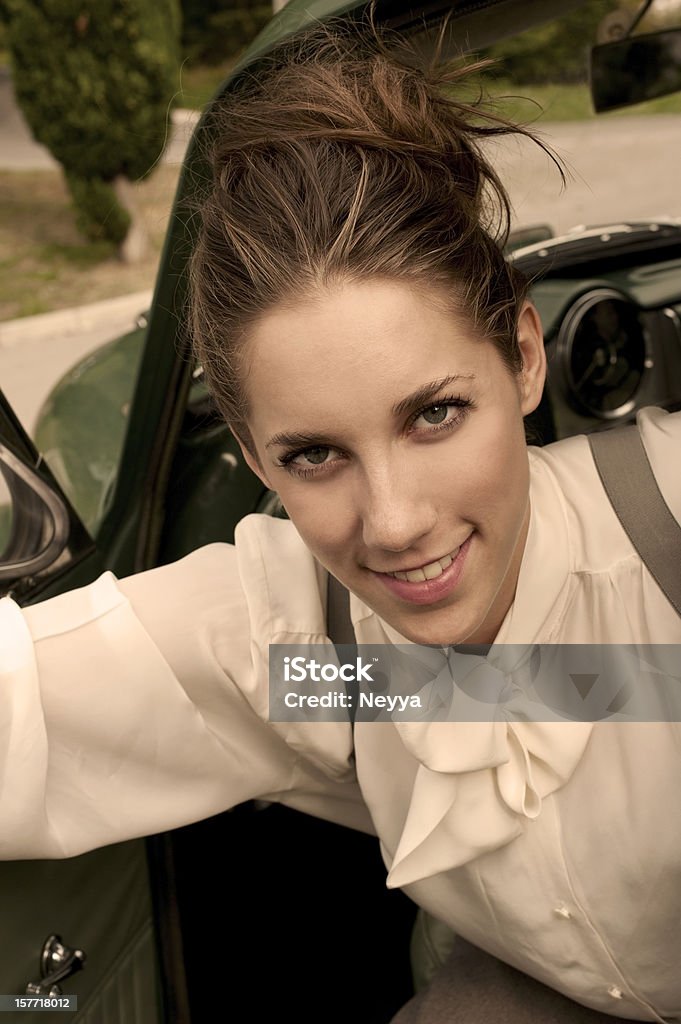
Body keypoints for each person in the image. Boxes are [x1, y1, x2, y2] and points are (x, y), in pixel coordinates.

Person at [1, 11, 680, 1023]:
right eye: (314, 455)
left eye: (436, 413)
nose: (396, 522)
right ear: (248, 443)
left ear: (525, 356)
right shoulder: (319, 656)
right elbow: (29, 710)